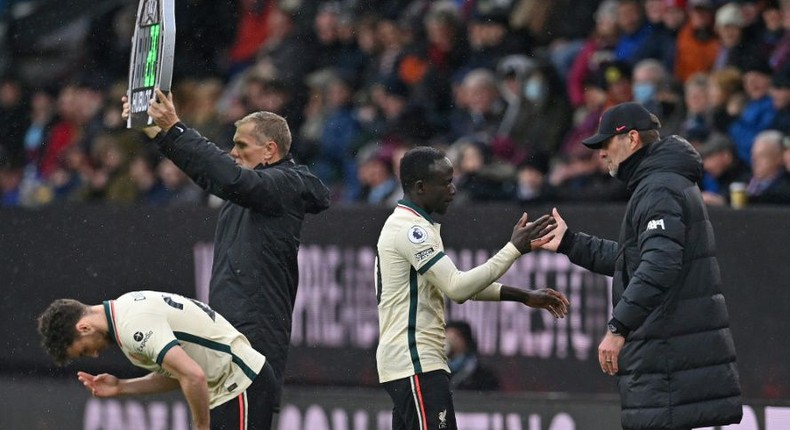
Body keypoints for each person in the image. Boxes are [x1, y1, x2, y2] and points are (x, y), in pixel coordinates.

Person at [121, 88, 331, 425]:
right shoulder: (255, 185)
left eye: (241, 146)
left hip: (253, 342)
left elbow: (228, 177)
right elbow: (211, 173)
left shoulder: (283, 186)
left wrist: (175, 127)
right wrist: (156, 130)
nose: (232, 152)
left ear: (269, 150)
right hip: (230, 335)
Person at [540, 102, 742, 430]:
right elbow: (636, 262)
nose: (601, 153)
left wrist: (618, 327)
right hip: (667, 357)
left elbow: (659, 265)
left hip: (665, 359)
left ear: (632, 139)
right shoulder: (661, 182)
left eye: (606, 144)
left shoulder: (659, 187)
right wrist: (570, 243)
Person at [374, 146, 570, 430]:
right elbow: (458, 288)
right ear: (420, 187)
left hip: (408, 363)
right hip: (416, 362)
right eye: (445, 182)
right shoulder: (410, 231)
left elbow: (458, 283)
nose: (453, 190)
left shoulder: (410, 225)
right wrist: (513, 249)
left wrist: (523, 295)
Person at [36, 290, 276, 430]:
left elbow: (193, 375)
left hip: (242, 382)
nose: (95, 354)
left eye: (84, 350)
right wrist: (121, 387)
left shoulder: (132, 326)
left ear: (84, 327)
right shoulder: (124, 312)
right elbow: (179, 374)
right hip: (230, 387)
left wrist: (202, 428)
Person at [444, 320, 500, 391]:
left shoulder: (482, 376)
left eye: (454, 338)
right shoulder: (437, 371)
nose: (448, 342)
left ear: (465, 341)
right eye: (445, 338)